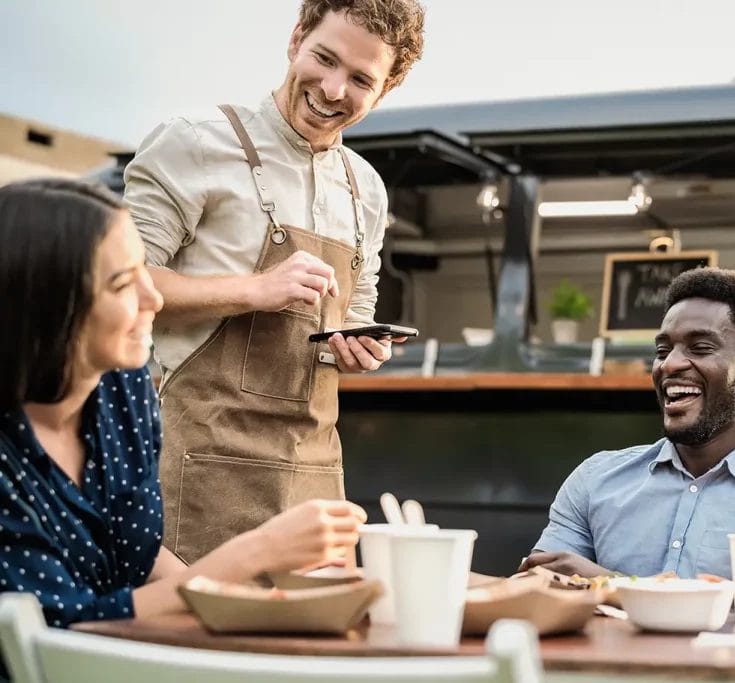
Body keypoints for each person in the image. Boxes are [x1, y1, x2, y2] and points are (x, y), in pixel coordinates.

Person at [122, 0, 426, 563]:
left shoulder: (368, 190)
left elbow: (356, 310)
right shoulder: (193, 141)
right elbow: (121, 288)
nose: (334, 90)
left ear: (383, 91)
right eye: (325, 59)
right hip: (199, 466)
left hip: (313, 476)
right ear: (296, 38)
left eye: (361, 79)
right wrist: (253, 290)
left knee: (315, 643)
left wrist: (360, 346)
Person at [0, 180, 366, 641]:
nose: (154, 299)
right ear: (44, 307)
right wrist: (256, 553)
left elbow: (136, 552)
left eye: (144, 273)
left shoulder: (121, 387)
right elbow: (62, 628)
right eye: (122, 284)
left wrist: (257, 601)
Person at [522, 268, 735, 597]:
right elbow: (539, 591)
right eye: (662, 351)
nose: (669, 365)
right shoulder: (594, 480)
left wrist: (614, 585)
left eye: (700, 348)